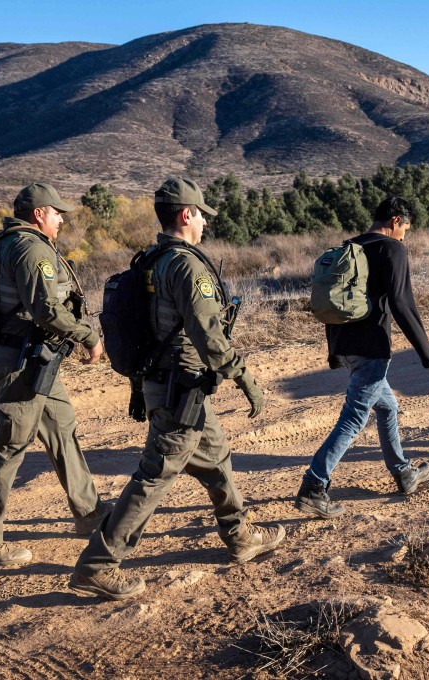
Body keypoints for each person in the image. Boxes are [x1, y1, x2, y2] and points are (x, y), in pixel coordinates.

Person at [70, 177, 284, 601]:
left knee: (216, 455)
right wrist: (245, 378)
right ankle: (97, 564)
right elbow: (208, 333)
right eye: (202, 214)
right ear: (186, 214)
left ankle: (240, 533)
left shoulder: (149, 260)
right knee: (155, 475)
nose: (204, 222)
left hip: (169, 385)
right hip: (179, 386)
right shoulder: (184, 264)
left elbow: (146, 330)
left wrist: (138, 386)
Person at [0, 182, 109, 568]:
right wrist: (88, 336)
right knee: (7, 448)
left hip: (29, 359)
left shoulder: (4, 243)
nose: (61, 218)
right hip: (20, 361)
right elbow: (45, 310)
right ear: (39, 213)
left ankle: (90, 514)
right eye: (57, 211)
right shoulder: (29, 247)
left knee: (61, 426)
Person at [295, 196, 429, 519]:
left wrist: (335, 351)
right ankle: (313, 486)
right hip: (372, 346)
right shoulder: (392, 249)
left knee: (387, 406)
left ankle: (403, 472)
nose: (405, 238)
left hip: (345, 343)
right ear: (396, 221)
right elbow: (401, 302)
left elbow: (336, 299)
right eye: (405, 230)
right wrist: (425, 351)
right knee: (355, 417)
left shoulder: (353, 246)